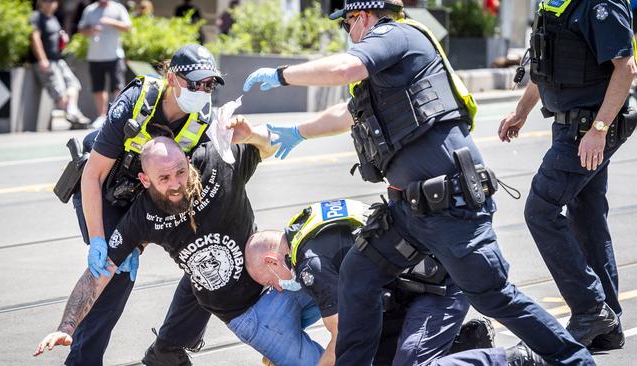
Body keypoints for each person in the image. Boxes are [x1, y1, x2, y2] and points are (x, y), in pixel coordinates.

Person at [242, 0, 594, 365]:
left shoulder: (395, 35)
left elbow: (346, 67)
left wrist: (283, 74)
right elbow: (347, 113)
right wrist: (296, 132)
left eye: (347, 26)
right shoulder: (384, 73)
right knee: (358, 275)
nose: (349, 36)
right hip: (407, 213)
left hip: (451, 205)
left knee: (493, 295)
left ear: (362, 18)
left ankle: (573, 361)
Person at [36, 135, 326, 366]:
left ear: (188, 161)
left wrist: (252, 133)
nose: (176, 184)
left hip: (282, 279)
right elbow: (97, 275)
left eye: (180, 172)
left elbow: (266, 147)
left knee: (359, 301)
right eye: (164, 179)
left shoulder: (217, 161)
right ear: (145, 180)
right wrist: (67, 326)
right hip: (251, 314)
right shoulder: (142, 217)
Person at [61, 44, 225, 366]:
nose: (203, 91)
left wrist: (145, 236)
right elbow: (92, 176)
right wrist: (100, 240)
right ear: (172, 78)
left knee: (208, 253)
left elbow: (191, 181)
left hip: (148, 194)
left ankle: (171, 348)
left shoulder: (202, 120)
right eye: (195, 83)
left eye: (209, 84)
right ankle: (81, 361)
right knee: (114, 275)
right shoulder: (136, 104)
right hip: (102, 189)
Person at [245, 199, 545, 366]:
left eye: (272, 283)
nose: (280, 288)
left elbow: (343, 340)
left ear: (272, 261)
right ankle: (463, 344)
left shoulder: (310, 265)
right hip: (410, 286)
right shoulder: (306, 222)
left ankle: (515, 359)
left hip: (438, 287)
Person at [498, 0, 636, 350]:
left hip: (589, 129)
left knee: (540, 210)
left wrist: (600, 130)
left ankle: (590, 308)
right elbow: (546, 68)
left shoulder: (600, 4)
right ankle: (607, 325)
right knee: (586, 216)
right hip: (570, 127)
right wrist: (521, 112)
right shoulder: (553, 4)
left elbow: (626, 69)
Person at [30, 0, 90, 129]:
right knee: (59, 92)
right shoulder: (36, 17)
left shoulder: (54, 18)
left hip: (58, 60)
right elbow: (35, 38)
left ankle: (72, 112)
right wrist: (42, 59)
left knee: (74, 85)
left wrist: (63, 40)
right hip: (47, 61)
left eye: (52, 1)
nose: (49, 4)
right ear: (40, 3)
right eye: (46, 1)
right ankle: (74, 117)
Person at [78, 0, 132, 128]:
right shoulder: (90, 9)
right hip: (95, 56)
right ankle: (101, 116)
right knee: (98, 88)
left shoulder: (118, 8)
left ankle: (118, 115)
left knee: (117, 87)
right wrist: (91, 30)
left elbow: (128, 27)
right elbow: (81, 29)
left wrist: (110, 22)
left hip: (115, 55)